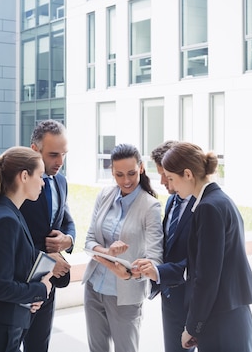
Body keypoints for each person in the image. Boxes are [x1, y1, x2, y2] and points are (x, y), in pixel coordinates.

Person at [161, 142, 252, 352]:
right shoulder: (221, 201)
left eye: (171, 178)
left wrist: (192, 327)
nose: (171, 186)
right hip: (231, 314)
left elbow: (207, 277)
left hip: (220, 320)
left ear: (187, 174)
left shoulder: (208, 208)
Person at [0, 146, 53, 352]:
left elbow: (12, 271)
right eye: (40, 176)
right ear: (24, 176)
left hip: (1, 327)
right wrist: (41, 290)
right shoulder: (6, 219)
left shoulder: (10, 212)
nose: (43, 182)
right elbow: (1, 287)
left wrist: (32, 297)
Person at [82, 143, 163, 352]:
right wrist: (108, 253)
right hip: (94, 287)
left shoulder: (150, 206)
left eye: (131, 173)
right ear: (112, 172)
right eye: (119, 175)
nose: (126, 181)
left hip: (125, 296)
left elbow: (155, 261)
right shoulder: (105, 195)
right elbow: (89, 240)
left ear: (141, 168)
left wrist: (129, 275)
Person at [134, 140, 196, 352]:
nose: (161, 182)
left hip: (196, 299)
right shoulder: (171, 202)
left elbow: (201, 259)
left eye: (166, 175)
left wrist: (159, 272)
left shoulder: (205, 206)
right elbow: (166, 246)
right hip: (171, 299)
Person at [20, 120, 75, 352]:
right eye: (53, 155)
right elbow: (12, 238)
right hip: (19, 282)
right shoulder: (18, 184)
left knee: (39, 346)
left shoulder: (61, 181)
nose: (60, 162)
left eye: (64, 154)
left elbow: (67, 221)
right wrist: (49, 257)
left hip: (48, 283)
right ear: (35, 150)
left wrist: (68, 240)